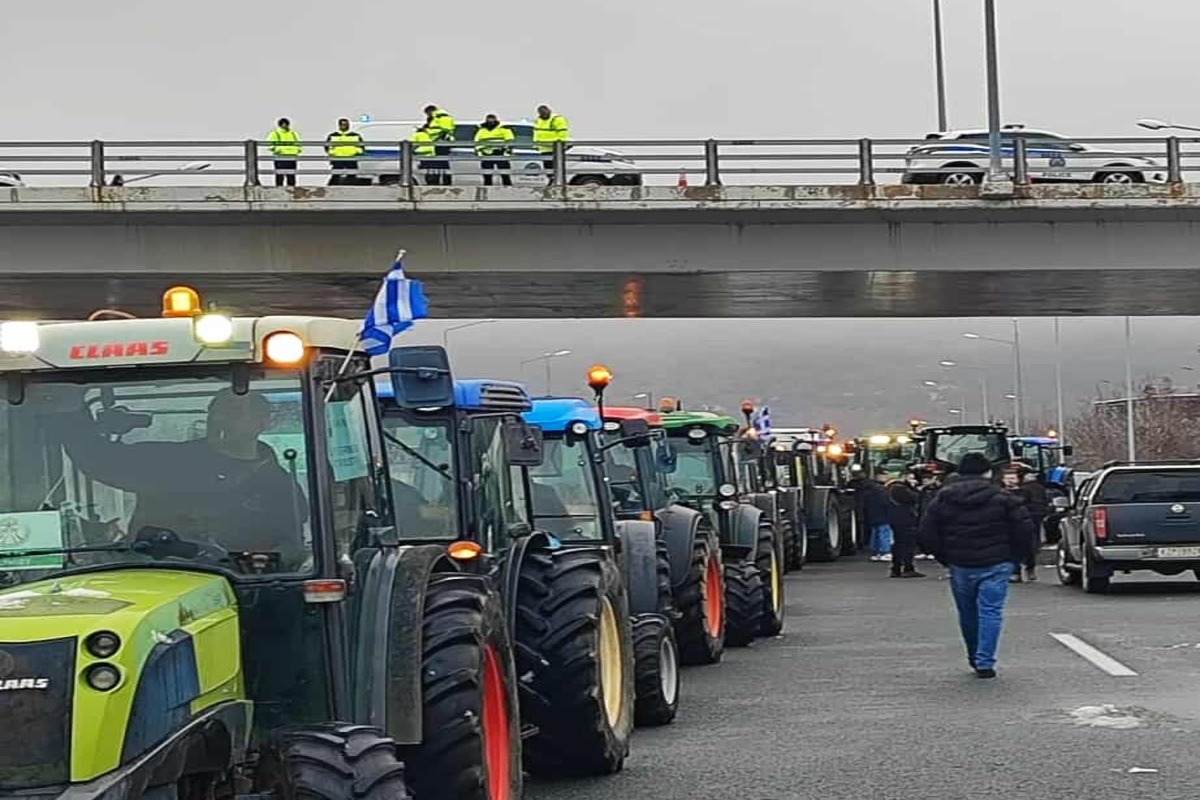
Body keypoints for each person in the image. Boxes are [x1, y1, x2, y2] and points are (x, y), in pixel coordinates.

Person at [56, 389, 307, 564]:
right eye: (215, 412)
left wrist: (261, 562)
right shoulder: (169, 461)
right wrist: (70, 408)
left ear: (264, 423)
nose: (220, 420)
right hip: (157, 576)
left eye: (234, 412)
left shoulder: (279, 485)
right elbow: (97, 460)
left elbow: (292, 545)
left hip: (244, 587)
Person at [919, 452, 1034, 678]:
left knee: (967, 612)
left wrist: (946, 557)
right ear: (988, 472)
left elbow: (926, 533)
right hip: (997, 563)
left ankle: (974, 655)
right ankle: (985, 661)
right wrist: (1015, 559)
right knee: (990, 611)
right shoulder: (1004, 498)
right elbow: (1024, 530)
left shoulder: (942, 498)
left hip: (960, 564)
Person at [851, 465, 892, 562]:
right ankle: (885, 552)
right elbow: (886, 501)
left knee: (875, 532)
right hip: (883, 513)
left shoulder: (864, 488)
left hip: (871, 513)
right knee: (884, 532)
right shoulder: (881, 489)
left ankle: (876, 552)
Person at [886, 477, 924, 578]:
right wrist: (915, 489)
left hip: (895, 520)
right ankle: (908, 568)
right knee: (908, 545)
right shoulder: (900, 489)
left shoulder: (888, 492)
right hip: (907, 519)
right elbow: (914, 498)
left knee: (898, 544)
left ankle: (896, 568)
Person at [1018, 464, 1048, 582]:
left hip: (1023, 517)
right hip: (1036, 516)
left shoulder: (1023, 489)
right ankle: (1030, 569)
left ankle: (1017, 571)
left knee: (1018, 543)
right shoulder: (1039, 487)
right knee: (1032, 542)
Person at [474, 114, 514, 187]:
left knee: (505, 174)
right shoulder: (481, 130)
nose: (490, 122)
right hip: (486, 154)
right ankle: (487, 190)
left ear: (495, 120)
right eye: (489, 120)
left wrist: (506, 151)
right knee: (487, 176)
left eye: (492, 120)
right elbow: (477, 142)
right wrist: (479, 152)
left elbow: (509, 141)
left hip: (500, 153)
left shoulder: (503, 129)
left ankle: (508, 189)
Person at [533, 104, 569, 184]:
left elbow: (563, 133)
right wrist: (536, 143)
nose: (543, 114)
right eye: (541, 113)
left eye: (544, 113)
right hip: (544, 148)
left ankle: (556, 182)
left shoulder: (557, 119)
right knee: (548, 167)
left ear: (549, 111)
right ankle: (551, 180)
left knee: (556, 167)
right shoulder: (538, 120)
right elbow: (537, 132)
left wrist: (560, 145)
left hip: (555, 148)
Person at [423, 105, 456, 185]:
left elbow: (441, 130)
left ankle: (442, 182)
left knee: (441, 164)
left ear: (430, 111)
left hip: (440, 143)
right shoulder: (440, 117)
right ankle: (440, 181)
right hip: (440, 144)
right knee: (440, 165)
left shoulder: (440, 117)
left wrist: (427, 131)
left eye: (427, 114)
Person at [325, 118, 364, 186]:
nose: (344, 126)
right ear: (339, 125)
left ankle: (351, 189)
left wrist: (356, 152)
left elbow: (361, 147)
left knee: (352, 175)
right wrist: (332, 152)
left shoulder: (355, 135)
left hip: (351, 157)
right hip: (338, 158)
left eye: (345, 124)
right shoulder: (333, 135)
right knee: (336, 175)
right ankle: (331, 188)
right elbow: (327, 146)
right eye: (342, 124)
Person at [267, 117, 302, 187]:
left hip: (291, 156)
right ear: (280, 125)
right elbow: (270, 145)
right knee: (280, 175)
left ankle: (292, 189)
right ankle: (279, 188)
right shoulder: (275, 133)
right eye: (283, 124)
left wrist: (297, 150)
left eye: (286, 124)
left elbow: (299, 144)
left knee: (291, 175)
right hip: (280, 156)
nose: (285, 125)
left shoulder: (293, 134)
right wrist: (278, 150)